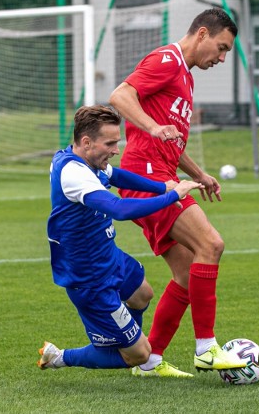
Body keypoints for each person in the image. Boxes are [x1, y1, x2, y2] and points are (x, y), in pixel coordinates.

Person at [109, 8, 246, 377]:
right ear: (202, 33)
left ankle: (150, 362)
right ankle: (206, 348)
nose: (221, 58)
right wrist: (153, 127)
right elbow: (121, 95)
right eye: (221, 48)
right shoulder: (166, 60)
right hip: (147, 177)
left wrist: (200, 174)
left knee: (187, 275)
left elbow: (172, 140)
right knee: (211, 245)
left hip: (161, 175)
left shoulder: (185, 75)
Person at [38, 105, 203, 373]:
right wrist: (173, 196)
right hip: (88, 274)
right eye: (111, 143)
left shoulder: (86, 159)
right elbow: (119, 209)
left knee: (142, 294)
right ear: (86, 142)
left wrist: (163, 186)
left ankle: (124, 339)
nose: (116, 150)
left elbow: (117, 176)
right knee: (140, 354)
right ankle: (60, 356)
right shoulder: (74, 174)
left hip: (107, 255)